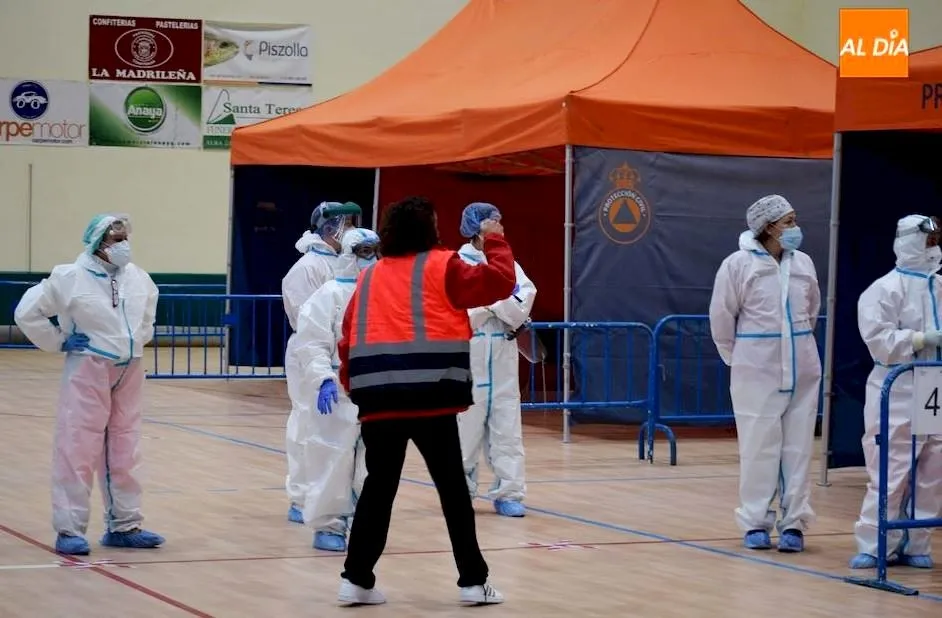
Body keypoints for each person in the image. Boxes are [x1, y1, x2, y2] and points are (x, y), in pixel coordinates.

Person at [335, 196, 513, 606]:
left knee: (378, 491)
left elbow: (349, 337)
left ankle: (356, 578)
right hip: (432, 397)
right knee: (453, 491)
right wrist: (496, 241)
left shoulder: (371, 275)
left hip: (378, 398)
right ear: (428, 228)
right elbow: (501, 283)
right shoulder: (443, 264)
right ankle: (473, 580)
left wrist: (354, 387)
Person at [14, 214, 162, 556]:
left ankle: (125, 525)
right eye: (116, 239)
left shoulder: (139, 279)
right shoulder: (69, 277)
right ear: (98, 243)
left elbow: (148, 314)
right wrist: (57, 340)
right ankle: (69, 529)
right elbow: (27, 312)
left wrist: (137, 341)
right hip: (89, 366)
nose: (124, 245)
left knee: (125, 447)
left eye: (125, 238)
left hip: (130, 369)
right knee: (77, 444)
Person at [709, 195, 821, 553]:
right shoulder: (738, 265)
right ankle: (756, 521)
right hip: (756, 367)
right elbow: (722, 318)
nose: (795, 228)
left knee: (799, 446)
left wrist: (796, 345)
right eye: (788, 222)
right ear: (768, 226)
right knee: (759, 447)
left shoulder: (803, 263)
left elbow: (812, 308)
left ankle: (794, 524)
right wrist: (739, 358)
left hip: (802, 364)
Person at [850, 214, 942, 570]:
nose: (933, 247)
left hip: (933, 386)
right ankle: (875, 544)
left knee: (932, 468)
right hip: (897, 385)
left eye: (936, 240)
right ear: (909, 241)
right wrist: (917, 339)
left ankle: (918, 540)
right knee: (889, 469)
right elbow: (878, 340)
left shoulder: (939, 286)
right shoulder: (883, 289)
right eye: (928, 240)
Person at [293, 228, 378, 552]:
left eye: (374, 251)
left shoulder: (380, 292)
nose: (369, 259)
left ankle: (364, 523)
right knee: (332, 457)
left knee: (372, 462)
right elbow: (311, 342)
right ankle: (329, 524)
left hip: (374, 387)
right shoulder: (328, 294)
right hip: (337, 388)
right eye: (364, 251)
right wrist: (322, 379)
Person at [456, 202, 537, 517]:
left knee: (507, 429)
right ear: (477, 226)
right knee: (465, 429)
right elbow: (460, 309)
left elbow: (523, 300)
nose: (499, 225)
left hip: (503, 357)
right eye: (493, 221)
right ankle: (459, 492)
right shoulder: (457, 262)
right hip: (470, 357)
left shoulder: (509, 263)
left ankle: (509, 492)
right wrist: (494, 302)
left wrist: (490, 301)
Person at [283, 201, 361, 524]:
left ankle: (338, 496)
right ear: (329, 227)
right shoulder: (308, 267)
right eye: (346, 223)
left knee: (340, 435)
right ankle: (302, 496)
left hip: (342, 361)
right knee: (306, 423)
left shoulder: (349, 265)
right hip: (311, 356)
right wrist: (321, 364)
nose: (351, 229)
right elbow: (307, 320)